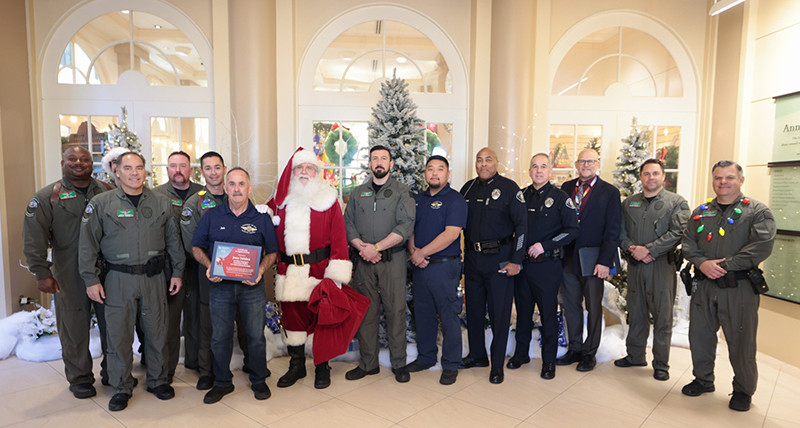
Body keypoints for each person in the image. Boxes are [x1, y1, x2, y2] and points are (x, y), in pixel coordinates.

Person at [79, 152, 185, 412]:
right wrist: (91, 279)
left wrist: (177, 272)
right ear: (117, 171)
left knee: (157, 330)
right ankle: (122, 386)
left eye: (139, 168)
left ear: (145, 171)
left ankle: (158, 380)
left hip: (153, 278)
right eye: (128, 168)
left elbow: (173, 241)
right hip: (118, 279)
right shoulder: (102, 203)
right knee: (118, 334)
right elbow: (87, 245)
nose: (134, 173)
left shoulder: (161, 203)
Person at [680, 160, 775, 412]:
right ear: (713, 181)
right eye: (718, 177)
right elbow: (688, 243)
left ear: (741, 180)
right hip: (704, 285)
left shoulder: (757, 211)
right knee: (700, 336)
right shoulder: (701, 212)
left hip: (739, 288)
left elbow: (762, 246)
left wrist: (725, 264)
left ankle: (743, 390)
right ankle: (703, 380)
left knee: (741, 341)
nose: (723, 182)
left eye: (730, 177)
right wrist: (701, 263)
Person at [23, 146, 113, 399]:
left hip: (106, 268)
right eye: (72, 159)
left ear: (92, 163)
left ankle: (114, 372)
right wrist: (41, 272)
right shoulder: (47, 197)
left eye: (85, 159)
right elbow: (33, 238)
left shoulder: (107, 191)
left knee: (113, 323)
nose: (78, 163)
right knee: (73, 324)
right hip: (68, 269)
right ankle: (80, 378)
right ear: (63, 163)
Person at [266, 148, 352, 390]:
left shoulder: (328, 199)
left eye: (309, 168)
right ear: (292, 172)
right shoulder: (280, 200)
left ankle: (322, 365)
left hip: (319, 271)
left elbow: (339, 237)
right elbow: (262, 225)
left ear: (317, 172)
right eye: (299, 168)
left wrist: (336, 275)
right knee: (292, 319)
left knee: (320, 320)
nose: (304, 172)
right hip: (289, 271)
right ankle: (297, 365)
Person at [191, 167, 279, 404]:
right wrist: (209, 265)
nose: (237, 189)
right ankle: (222, 382)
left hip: (252, 288)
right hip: (221, 287)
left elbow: (272, 252)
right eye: (232, 184)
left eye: (241, 184)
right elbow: (196, 247)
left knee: (255, 336)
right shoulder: (212, 216)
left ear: (249, 188)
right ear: (225, 188)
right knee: (220, 337)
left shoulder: (261, 219)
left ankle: (258, 379)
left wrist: (260, 270)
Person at [180, 152, 253, 390]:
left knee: (245, 319)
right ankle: (208, 370)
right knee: (208, 322)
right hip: (210, 272)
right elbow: (191, 242)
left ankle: (252, 363)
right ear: (202, 172)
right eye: (208, 168)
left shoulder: (238, 194)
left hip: (241, 270)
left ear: (224, 169)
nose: (213, 173)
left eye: (217, 167)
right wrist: (214, 264)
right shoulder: (195, 203)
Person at [343, 145, 416, 383]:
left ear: (391, 164)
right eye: (375, 158)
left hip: (393, 261)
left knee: (396, 312)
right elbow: (348, 224)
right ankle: (368, 364)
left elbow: (406, 225)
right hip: (364, 262)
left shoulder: (402, 191)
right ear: (370, 164)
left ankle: (399, 364)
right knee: (366, 313)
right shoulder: (358, 193)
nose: (379, 162)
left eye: (384, 158)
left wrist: (376, 248)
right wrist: (363, 248)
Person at [615, 159, 689, 381]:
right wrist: (631, 248)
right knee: (636, 312)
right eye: (646, 173)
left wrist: (649, 250)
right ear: (641, 177)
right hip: (636, 266)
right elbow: (619, 231)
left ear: (663, 176)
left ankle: (661, 364)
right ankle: (635, 355)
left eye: (655, 173)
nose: (651, 178)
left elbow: (678, 232)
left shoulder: (676, 203)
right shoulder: (629, 203)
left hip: (661, 266)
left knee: (662, 316)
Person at [459, 147, 527, 384]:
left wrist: (516, 260)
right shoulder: (467, 188)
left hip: (500, 259)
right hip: (473, 258)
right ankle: (477, 355)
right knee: (474, 310)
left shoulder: (509, 188)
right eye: (479, 160)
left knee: (499, 313)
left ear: (497, 162)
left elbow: (522, 226)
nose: (483, 164)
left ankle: (497, 364)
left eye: (488, 160)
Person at [509, 153, 579, 380]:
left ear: (550, 171)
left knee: (548, 315)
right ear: (529, 171)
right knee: (523, 312)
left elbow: (572, 230)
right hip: (523, 266)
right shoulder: (520, 196)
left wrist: (545, 245)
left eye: (543, 167)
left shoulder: (560, 198)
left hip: (547, 266)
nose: (538, 171)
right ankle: (521, 354)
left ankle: (549, 361)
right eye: (534, 167)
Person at [557, 149, 621, 372]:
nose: (586, 165)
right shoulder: (566, 188)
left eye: (590, 161)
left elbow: (613, 230)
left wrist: (605, 261)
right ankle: (574, 348)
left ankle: (589, 352)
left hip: (594, 260)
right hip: (568, 258)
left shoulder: (610, 192)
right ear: (576, 164)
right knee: (571, 306)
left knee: (593, 307)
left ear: (597, 164)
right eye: (582, 161)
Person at [406, 155, 466, 385]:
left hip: (445, 267)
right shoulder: (417, 200)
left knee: (449, 316)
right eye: (430, 169)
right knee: (424, 315)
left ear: (447, 174)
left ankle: (451, 364)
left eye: (440, 169)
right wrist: (414, 251)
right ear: (425, 174)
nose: (434, 173)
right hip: (421, 267)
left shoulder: (455, 199)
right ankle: (426, 357)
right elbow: (411, 229)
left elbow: (451, 234)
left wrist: (421, 253)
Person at [152, 151, 203, 382]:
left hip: (199, 264)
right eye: (173, 166)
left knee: (197, 316)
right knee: (170, 320)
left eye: (183, 165)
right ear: (167, 170)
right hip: (170, 268)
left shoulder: (203, 193)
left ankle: (197, 361)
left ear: (190, 170)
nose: (178, 170)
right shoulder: (156, 195)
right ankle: (167, 369)